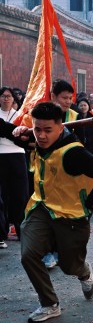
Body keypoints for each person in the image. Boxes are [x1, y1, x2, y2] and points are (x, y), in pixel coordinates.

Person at [20, 102, 93, 323]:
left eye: (47, 130)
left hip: (71, 215)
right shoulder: (36, 141)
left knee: (69, 265)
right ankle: (49, 304)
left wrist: (92, 202)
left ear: (60, 127)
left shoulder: (74, 153)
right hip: (42, 208)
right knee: (29, 254)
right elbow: (15, 135)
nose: (41, 135)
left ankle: (84, 273)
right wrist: (17, 130)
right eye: (37, 129)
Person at [0, 86, 30, 241]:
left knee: (20, 195)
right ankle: (2, 231)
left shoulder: (21, 115)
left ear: (14, 99)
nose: (6, 99)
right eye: (3, 96)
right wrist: (15, 135)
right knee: (2, 195)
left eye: (9, 96)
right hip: (1, 156)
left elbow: (26, 138)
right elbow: (19, 136)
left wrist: (12, 135)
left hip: (18, 155)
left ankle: (20, 228)